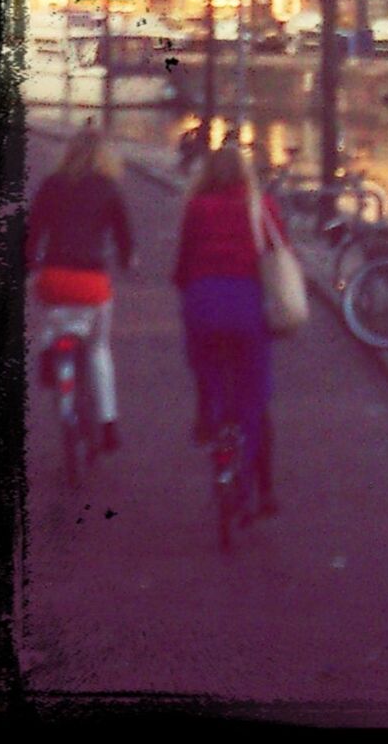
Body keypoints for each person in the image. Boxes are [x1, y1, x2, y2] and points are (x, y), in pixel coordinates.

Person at [172, 142, 286, 519]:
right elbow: (280, 251)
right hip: (246, 305)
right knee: (254, 397)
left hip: (203, 303)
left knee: (206, 367)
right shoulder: (261, 206)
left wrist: (189, 285)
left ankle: (209, 416)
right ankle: (251, 489)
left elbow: (183, 263)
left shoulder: (196, 207)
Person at [27, 126, 134, 452]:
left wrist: (29, 266)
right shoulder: (109, 188)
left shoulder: (51, 185)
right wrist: (129, 261)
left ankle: (49, 352)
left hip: (55, 276)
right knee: (99, 347)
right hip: (91, 281)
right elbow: (124, 237)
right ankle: (108, 422)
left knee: (52, 314)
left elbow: (32, 234)